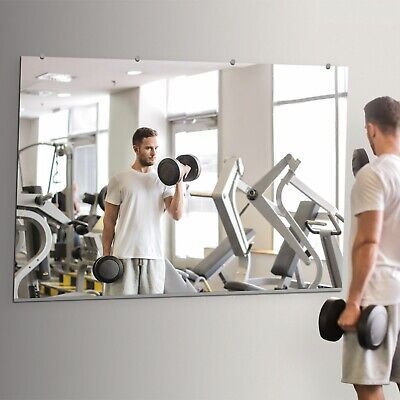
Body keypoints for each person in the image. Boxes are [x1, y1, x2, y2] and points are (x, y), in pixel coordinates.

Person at [338, 96, 400, 399]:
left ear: (372, 129)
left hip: (378, 295)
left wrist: (353, 302)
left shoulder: (373, 175)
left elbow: (368, 241)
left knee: (367, 383)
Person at [102, 127, 188, 295]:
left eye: (156, 148)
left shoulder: (162, 181)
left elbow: (176, 214)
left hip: (153, 256)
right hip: (123, 255)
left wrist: (179, 181)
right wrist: (106, 254)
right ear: (136, 149)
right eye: (149, 148)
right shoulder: (119, 179)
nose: (154, 153)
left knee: (151, 313)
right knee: (119, 311)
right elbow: (109, 220)